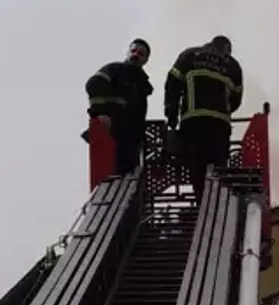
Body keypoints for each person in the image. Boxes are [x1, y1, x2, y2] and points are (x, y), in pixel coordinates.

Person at [164, 34, 243, 200]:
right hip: (219, 126)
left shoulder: (189, 55)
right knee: (217, 168)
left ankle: (201, 202)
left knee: (196, 167)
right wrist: (225, 111)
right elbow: (236, 99)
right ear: (227, 49)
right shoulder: (232, 65)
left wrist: (172, 114)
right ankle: (215, 202)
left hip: (192, 121)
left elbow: (172, 84)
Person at [84, 38, 153, 175]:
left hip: (130, 141)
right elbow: (93, 83)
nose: (136, 55)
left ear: (146, 60)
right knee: (112, 174)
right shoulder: (115, 69)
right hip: (112, 133)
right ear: (128, 52)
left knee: (128, 175)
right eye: (133, 51)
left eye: (141, 53)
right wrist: (100, 112)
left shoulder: (142, 84)